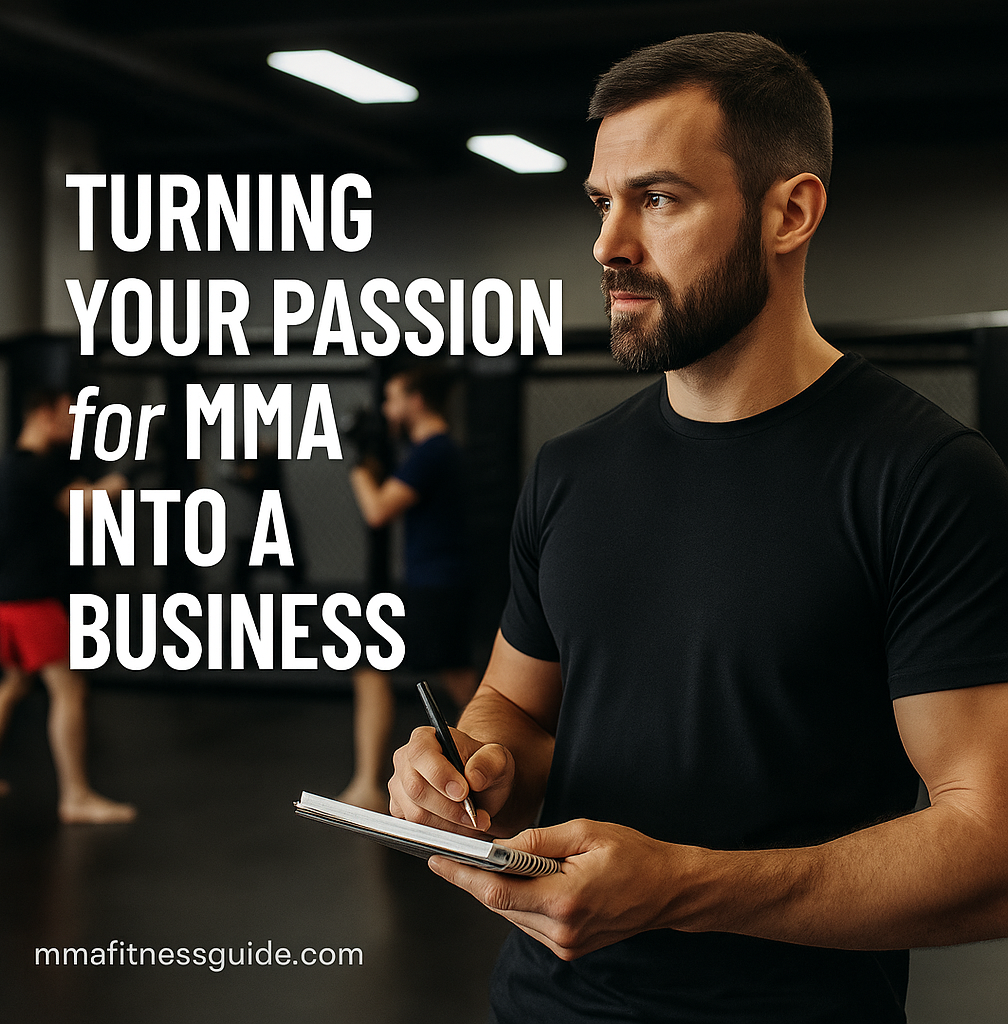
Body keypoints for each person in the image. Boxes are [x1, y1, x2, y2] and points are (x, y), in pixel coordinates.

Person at [388, 32, 1008, 1024]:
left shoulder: (925, 479)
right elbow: (517, 707)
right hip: (541, 1003)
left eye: (659, 198)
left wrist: (681, 884)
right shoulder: (571, 471)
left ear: (789, 212)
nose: (607, 244)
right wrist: (468, 769)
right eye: (602, 202)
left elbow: (992, 849)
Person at [0, 388, 136, 824]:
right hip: (32, 599)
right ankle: (76, 796)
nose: (74, 424)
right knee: (70, 691)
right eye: (69, 415)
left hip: (5, 596)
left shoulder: (4, 467)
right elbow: (86, 503)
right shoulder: (37, 467)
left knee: (13, 686)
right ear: (43, 413)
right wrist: (127, 473)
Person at [340, 367, 477, 812]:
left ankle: (365, 784)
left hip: (433, 586)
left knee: (369, 663)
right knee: (460, 679)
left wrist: (359, 466)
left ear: (416, 400)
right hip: (442, 584)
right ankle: (508, 765)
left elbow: (377, 510)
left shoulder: (432, 451)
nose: (387, 409)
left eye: (393, 398)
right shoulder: (440, 450)